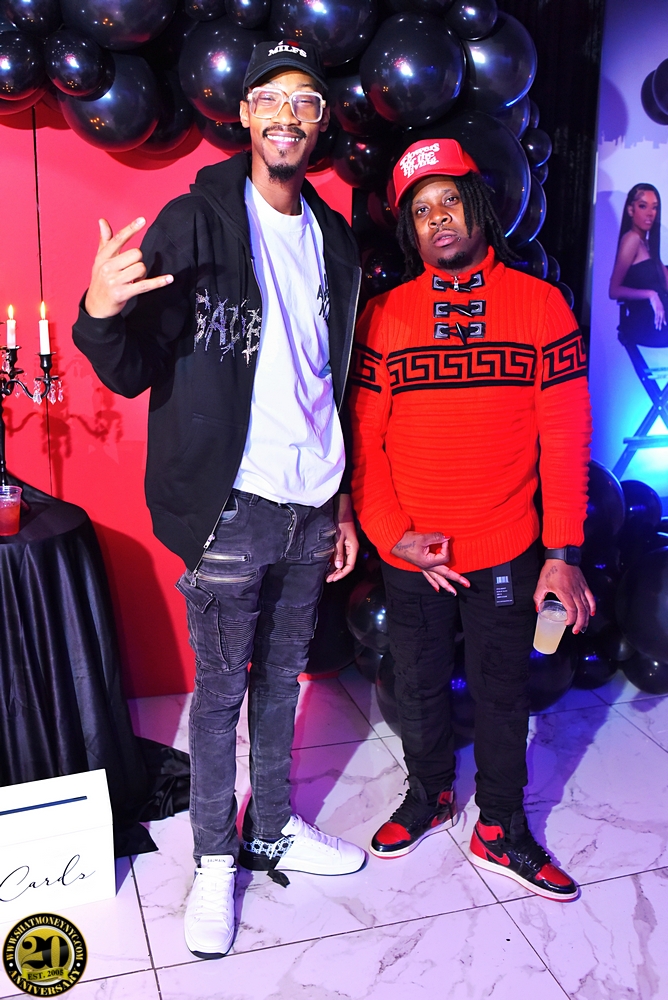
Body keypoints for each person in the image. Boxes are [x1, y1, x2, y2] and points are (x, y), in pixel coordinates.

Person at [72, 40, 366, 960]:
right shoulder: (195, 220)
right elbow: (132, 367)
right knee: (218, 695)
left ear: (320, 122)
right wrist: (99, 310)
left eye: (304, 100)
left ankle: (270, 828)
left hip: (313, 500)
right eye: (269, 97)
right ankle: (212, 858)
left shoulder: (337, 240)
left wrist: (342, 500)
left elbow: (329, 382)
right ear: (244, 115)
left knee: (283, 681)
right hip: (232, 505)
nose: (287, 114)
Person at [348, 139, 594, 901]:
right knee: (418, 683)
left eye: (449, 200)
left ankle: (502, 827)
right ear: (409, 230)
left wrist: (563, 551)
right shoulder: (384, 317)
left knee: (502, 691)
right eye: (421, 210)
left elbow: (565, 437)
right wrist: (394, 536)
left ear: (478, 207)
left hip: (504, 546)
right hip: (412, 548)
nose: (438, 218)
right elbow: (364, 440)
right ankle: (429, 795)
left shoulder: (541, 306)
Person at [609, 183, 668, 346]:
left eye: (654, 207)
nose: (650, 213)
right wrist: (651, 295)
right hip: (648, 322)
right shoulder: (631, 239)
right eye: (643, 206)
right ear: (631, 210)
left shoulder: (648, 244)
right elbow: (614, 290)